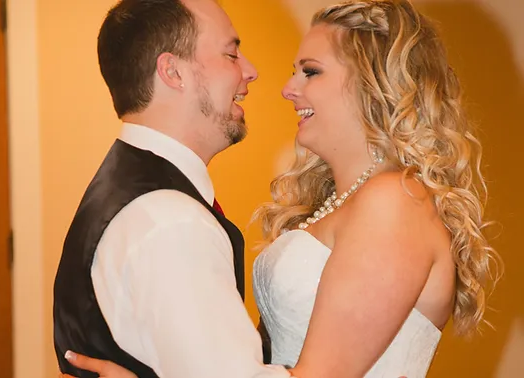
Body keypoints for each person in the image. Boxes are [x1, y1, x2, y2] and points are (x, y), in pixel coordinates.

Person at [60, 0, 500, 377]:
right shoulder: (343, 204)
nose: (288, 89)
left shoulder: (394, 203)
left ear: (372, 83)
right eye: (296, 72)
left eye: (311, 72)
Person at [52, 0, 292, 377]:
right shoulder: (171, 223)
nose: (251, 71)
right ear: (173, 71)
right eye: (231, 54)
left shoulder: (128, 192)